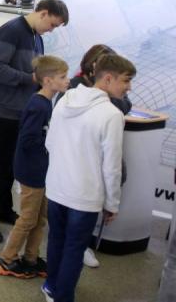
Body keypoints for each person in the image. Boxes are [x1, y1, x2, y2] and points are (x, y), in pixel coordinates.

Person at [42, 54, 135, 302]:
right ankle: (62, 296)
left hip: (57, 188)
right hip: (84, 197)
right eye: (126, 80)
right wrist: (112, 203)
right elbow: (112, 167)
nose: (129, 87)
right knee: (74, 248)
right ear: (108, 78)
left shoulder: (66, 99)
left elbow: (50, 142)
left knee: (56, 240)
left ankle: (51, 286)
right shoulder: (111, 115)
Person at [0, 0, 70, 243]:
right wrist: (30, 79)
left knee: (11, 165)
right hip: (2, 111)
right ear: (43, 13)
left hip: (22, 111)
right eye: (52, 24)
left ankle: (3, 209)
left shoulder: (36, 37)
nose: (52, 30)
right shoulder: (11, 31)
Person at [0, 55, 69, 279]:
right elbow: (28, 140)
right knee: (28, 218)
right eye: (62, 77)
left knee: (40, 218)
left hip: (42, 171)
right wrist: (51, 145)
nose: (67, 81)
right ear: (48, 80)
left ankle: (31, 258)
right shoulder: (38, 105)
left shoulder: (47, 103)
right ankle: (7, 259)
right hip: (32, 171)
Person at [66, 43, 133, 268]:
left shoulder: (111, 103)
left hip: (97, 159)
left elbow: (125, 105)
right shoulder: (74, 87)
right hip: (78, 160)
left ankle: (83, 244)